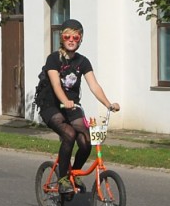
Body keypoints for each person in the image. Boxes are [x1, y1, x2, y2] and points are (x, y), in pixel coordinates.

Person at [37, 19, 120, 194]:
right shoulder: (53, 59)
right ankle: (62, 179)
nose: (71, 39)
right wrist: (64, 101)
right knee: (69, 134)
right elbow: (56, 85)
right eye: (68, 36)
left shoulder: (83, 62)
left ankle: (74, 173)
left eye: (76, 36)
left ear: (80, 39)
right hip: (51, 105)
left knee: (86, 139)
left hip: (72, 106)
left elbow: (94, 85)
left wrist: (108, 104)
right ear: (62, 38)